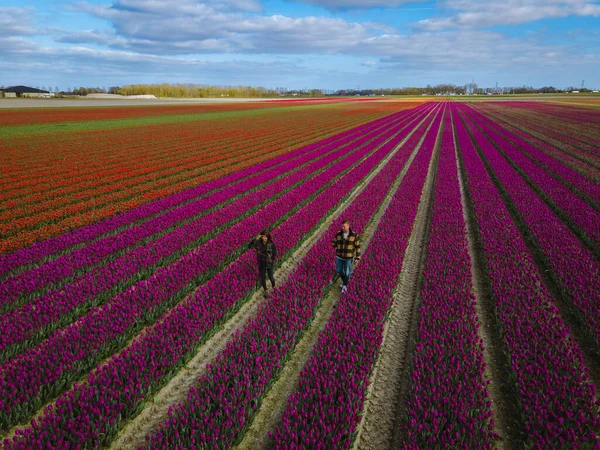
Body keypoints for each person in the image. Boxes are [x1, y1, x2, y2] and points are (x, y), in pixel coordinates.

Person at [332, 219, 361, 294]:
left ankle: (344, 286)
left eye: (344, 227)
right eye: (342, 226)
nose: (342, 228)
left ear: (348, 226)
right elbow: (333, 243)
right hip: (339, 257)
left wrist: (357, 257)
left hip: (349, 257)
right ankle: (345, 281)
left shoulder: (354, 235)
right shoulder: (338, 234)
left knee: (347, 272)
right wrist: (337, 249)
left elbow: (357, 247)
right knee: (339, 270)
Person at [249, 230, 277, 298]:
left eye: (265, 237)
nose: (264, 238)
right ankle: (266, 291)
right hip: (261, 262)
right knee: (263, 277)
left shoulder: (270, 244)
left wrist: (272, 259)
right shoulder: (258, 243)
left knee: (271, 277)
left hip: (269, 263)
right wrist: (255, 238)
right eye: (262, 237)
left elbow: (274, 252)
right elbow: (250, 246)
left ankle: (274, 286)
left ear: (267, 237)